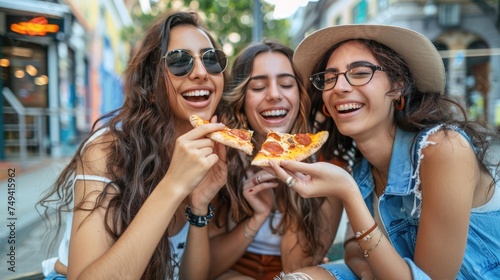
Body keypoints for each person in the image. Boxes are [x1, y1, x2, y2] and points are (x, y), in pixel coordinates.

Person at [270, 24, 500, 279]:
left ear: (397, 86)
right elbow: (352, 250)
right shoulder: (360, 167)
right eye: (330, 78)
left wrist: (348, 193)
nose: (340, 88)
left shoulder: (444, 148)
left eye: (359, 73)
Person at [37, 10, 229, 280]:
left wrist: (198, 208)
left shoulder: (212, 153)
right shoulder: (107, 150)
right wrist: (174, 185)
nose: (200, 72)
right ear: (150, 87)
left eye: (211, 60)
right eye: (179, 61)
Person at [207, 41, 343, 280]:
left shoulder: (329, 166)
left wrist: (291, 184)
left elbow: (296, 268)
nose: (274, 95)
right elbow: (205, 269)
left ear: (300, 95)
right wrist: (259, 215)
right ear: (241, 100)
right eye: (258, 87)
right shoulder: (222, 158)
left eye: (286, 84)